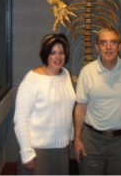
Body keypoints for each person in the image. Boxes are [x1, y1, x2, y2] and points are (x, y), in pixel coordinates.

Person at [74, 27, 121, 176]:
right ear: (97, 47)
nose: (108, 47)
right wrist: (78, 139)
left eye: (113, 42)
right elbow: (80, 108)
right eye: (103, 43)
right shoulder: (87, 72)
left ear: (120, 46)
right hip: (92, 141)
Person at [14, 34, 76, 176]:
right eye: (52, 53)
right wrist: (26, 152)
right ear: (45, 54)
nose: (58, 57)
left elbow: (66, 107)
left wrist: (70, 133)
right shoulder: (32, 80)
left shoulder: (65, 74)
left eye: (61, 52)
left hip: (61, 148)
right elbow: (21, 119)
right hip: (38, 150)